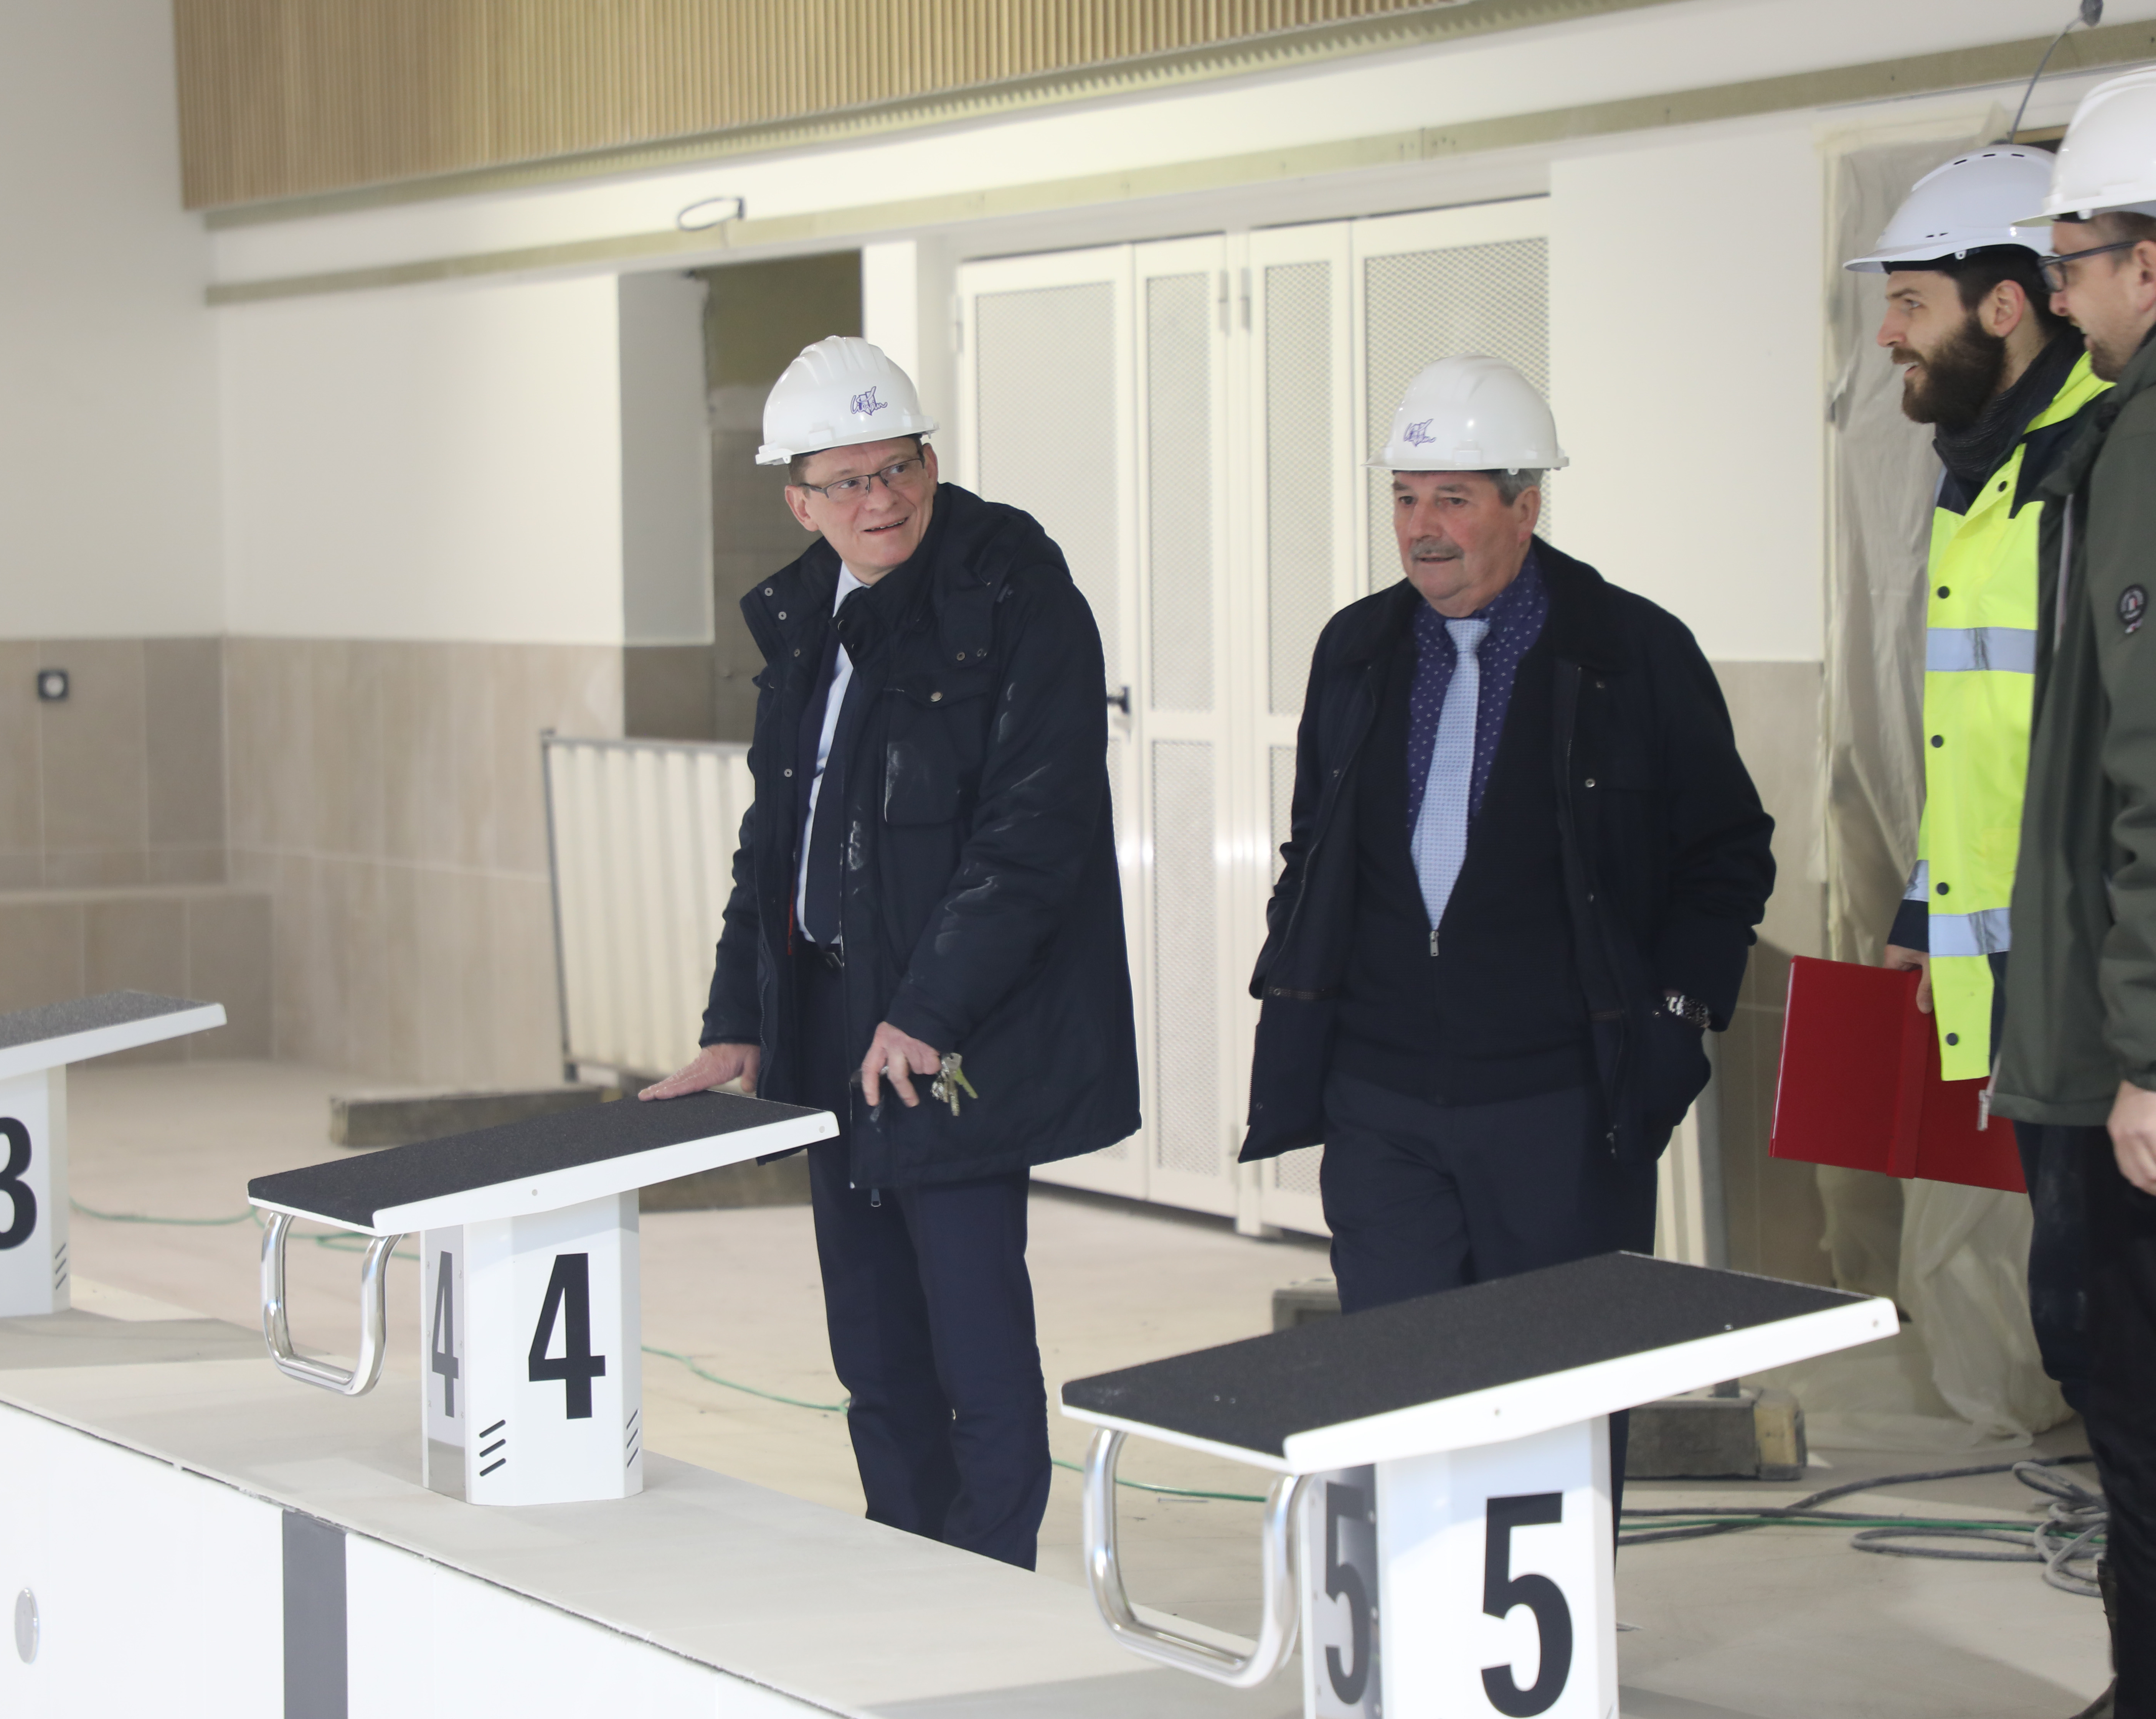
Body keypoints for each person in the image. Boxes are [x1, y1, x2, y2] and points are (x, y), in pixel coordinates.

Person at [640, 336, 1138, 1570]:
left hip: (944, 1034)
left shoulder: (1013, 590)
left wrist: (927, 1013)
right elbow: (779, 837)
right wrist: (738, 1020)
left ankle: (987, 1586)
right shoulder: (812, 615)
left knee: (974, 1338)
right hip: (828, 1024)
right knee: (873, 1345)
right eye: (849, 481)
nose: (882, 500)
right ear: (799, 502)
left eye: (900, 466)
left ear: (931, 461)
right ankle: (904, 1570)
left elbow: (1034, 833)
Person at [1239, 356, 1775, 1483]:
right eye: (1405, 497)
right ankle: (1417, 1598)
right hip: (1381, 1103)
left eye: (1454, 498)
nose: (1421, 529)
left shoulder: (1633, 653)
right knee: (1397, 1406)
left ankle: (1541, 1608)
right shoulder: (1357, 650)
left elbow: (1726, 854)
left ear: (1526, 508)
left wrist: (1676, 1021)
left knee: (1555, 1417)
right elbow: (1315, 845)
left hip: (1560, 1109)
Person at [1851, 146, 2106, 1423]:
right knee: (2082, 1303)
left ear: (2006, 306)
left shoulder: (2096, 460)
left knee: (2104, 1305)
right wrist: (1925, 904)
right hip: (2024, 967)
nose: (1888, 333)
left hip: (2098, 973)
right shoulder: (1981, 468)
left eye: (1911, 302)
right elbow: (1984, 733)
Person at [1991, 64, 2156, 1717]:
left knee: (2132, 1395)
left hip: (2128, 1062)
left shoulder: (2144, 446)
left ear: (2150, 264)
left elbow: (2153, 770)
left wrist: (2147, 1057)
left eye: (2076, 259)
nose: (2059, 293)